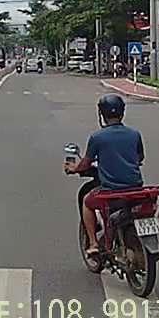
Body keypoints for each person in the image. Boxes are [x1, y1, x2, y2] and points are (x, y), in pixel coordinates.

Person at [65, 94, 144, 257]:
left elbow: (85, 164)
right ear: (122, 112)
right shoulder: (134, 134)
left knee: (87, 202)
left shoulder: (97, 138)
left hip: (112, 190)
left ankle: (93, 243)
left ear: (102, 114)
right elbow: (140, 158)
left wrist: (74, 168)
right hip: (136, 188)